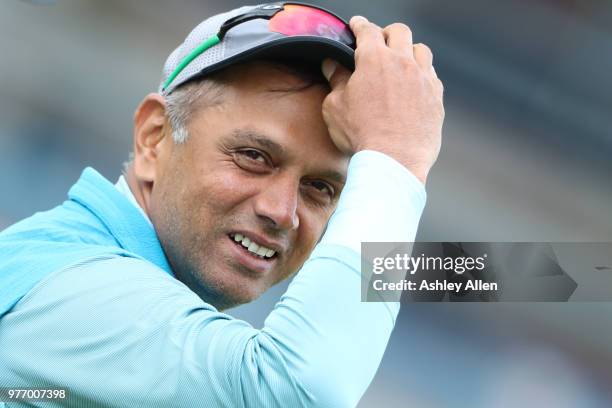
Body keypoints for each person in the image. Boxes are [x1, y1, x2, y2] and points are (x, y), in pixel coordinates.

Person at [0, 3, 443, 407]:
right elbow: (296, 391)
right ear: (154, 138)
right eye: (254, 156)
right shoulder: (75, 292)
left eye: (320, 188)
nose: (281, 210)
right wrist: (393, 158)